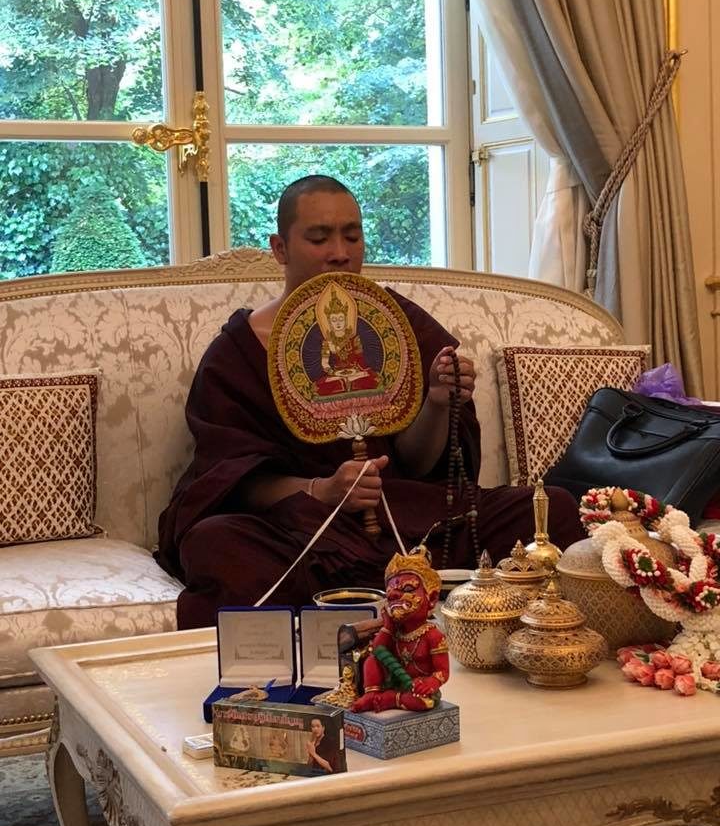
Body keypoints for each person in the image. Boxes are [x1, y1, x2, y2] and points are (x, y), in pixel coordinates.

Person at [155, 174, 584, 629]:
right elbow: (232, 477)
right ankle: (389, 598)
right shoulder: (238, 351)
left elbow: (422, 467)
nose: (340, 252)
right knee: (216, 542)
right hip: (304, 529)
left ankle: (382, 595)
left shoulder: (396, 325)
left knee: (553, 507)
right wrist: (322, 489)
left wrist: (437, 402)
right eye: (319, 238)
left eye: (352, 236)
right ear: (280, 249)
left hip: (408, 516)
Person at [351, 547, 449, 713]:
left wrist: (430, 683)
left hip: (417, 688)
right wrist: (388, 627)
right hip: (394, 681)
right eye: (389, 594)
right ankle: (372, 694)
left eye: (408, 589)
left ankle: (389, 699)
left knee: (423, 702)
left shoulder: (433, 635)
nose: (394, 596)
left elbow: (443, 671)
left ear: (431, 599)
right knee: (372, 659)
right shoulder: (395, 631)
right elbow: (378, 650)